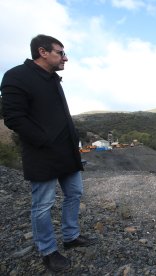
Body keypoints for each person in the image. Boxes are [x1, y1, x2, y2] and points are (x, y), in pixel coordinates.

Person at [0, 34, 96, 272]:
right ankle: (48, 251)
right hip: (42, 153)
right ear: (43, 52)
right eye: (60, 53)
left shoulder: (52, 78)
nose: (66, 57)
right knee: (43, 204)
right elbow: (13, 117)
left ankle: (71, 237)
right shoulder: (16, 76)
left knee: (74, 194)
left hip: (66, 152)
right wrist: (43, 140)